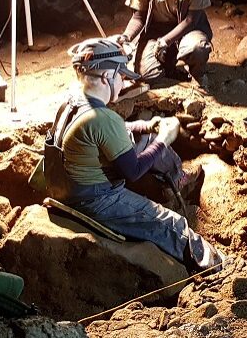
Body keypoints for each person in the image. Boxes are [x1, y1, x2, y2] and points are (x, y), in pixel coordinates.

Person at [43, 37, 224, 270]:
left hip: (66, 187)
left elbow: (102, 134)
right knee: (173, 224)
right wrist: (163, 139)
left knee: (141, 138)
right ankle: (218, 267)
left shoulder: (73, 100)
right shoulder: (102, 118)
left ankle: (174, 181)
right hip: (93, 200)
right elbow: (133, 171)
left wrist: (146, 126)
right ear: (107, 77)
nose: (123, 82)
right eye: (121, 76)